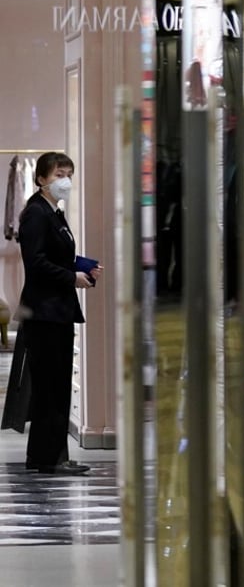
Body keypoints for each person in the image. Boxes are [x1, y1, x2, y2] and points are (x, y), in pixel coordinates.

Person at [16, 152, 102, 475]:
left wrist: (84, 266)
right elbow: (36, 262)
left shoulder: (54, 212)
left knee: (55, 387)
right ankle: (49, 458)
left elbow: (60, 253)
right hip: (45, 313)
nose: (64, 180)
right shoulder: (36, 214)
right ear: (41, 179)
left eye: (68, 173)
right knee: (50, 388)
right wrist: (71, 278)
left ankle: (48, 456)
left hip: (57, 311)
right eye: (58, 174)